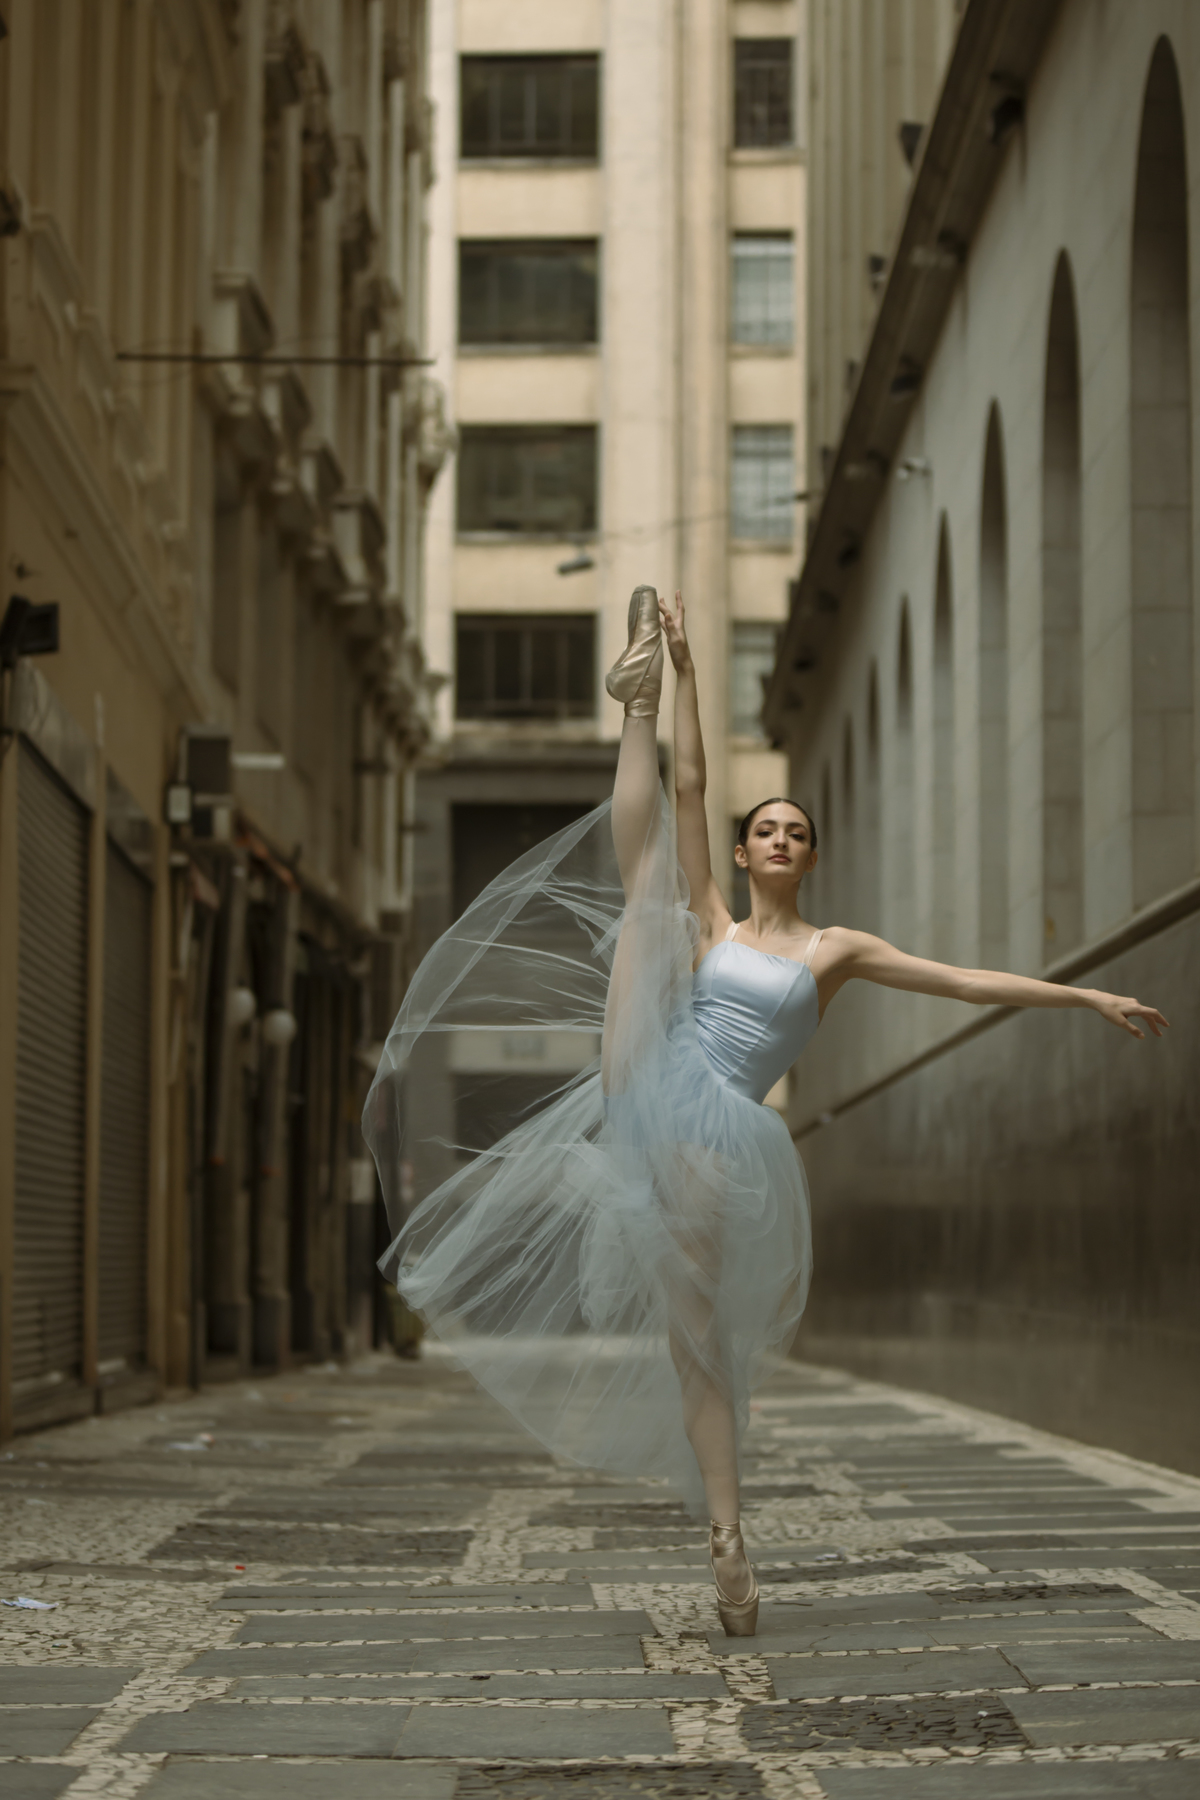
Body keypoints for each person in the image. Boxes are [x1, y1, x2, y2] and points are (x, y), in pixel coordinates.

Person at [364, 585, 1167, 1638]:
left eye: (795, 830)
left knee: (701, 1348)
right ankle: (636, 703)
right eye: (766, 829)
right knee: (650, 874)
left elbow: (965, 981)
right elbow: (694, 792)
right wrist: (686, 675)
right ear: (745, 857)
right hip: (647, 1078)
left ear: (809, 856)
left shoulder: (839, 952)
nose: (780, 837)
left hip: (720, 1129)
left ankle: (727, 1538)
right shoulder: (713, 921)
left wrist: (1083, 994)